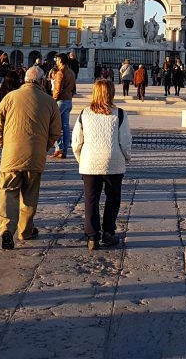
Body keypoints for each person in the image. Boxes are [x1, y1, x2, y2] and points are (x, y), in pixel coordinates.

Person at [0, 66, 61, 250]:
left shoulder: (10, 97)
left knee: (7, 192)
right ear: (41, 81)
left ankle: (7, 229)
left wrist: (3, 145)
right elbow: (56, 132)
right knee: (30, 196)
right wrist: (42, 148)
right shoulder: (50, 101)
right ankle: (25, 230)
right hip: (35, 157)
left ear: (25, 79)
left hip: (11, 155)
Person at [73, 79, 132, 251]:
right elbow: (125, 141)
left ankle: (92, 237)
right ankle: (108, 233)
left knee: (91, 200)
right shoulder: (119, 114)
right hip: (113, 161)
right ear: (112, 93)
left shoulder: (84, 113)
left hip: (90, 162)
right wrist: (126, 157)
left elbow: (76, 142)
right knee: (113, 199)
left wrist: (82, 159)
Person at [50, 54, 76, 159]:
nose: (56, 61)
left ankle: (59, 147)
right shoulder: (71, 72)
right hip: (68, 101)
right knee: (65, 127)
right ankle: (63, 151)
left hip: (60, 101)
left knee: (51, 124)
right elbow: (74, 89)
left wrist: (53, 100)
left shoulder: (60, 73)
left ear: (60, 60)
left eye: (57, 60)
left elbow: (57, 89)